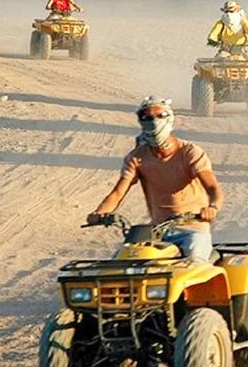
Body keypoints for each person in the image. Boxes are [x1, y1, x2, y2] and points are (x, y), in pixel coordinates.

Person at [88, 95, 224, 263]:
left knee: (194, 263)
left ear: (169, 119)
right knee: (121, 262)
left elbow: (213, 188)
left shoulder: (190, 153)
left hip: (193, 229)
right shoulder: (137, 157)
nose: (153, 121)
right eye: (147, 117)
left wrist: (212, 208)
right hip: (157, 233)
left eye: (160, 116)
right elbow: (117, 193)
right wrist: (100, 213)